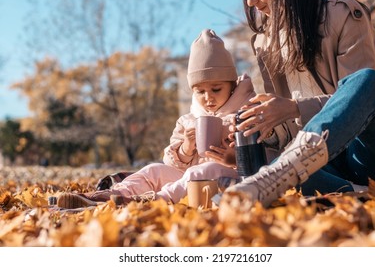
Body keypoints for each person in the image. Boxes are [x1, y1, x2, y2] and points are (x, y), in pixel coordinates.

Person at [56, 29, 268, 209]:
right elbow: (170, 162)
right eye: (200, 91)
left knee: (202, 171)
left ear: (232, 86)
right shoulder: (188, 120)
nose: (208, 97)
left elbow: (269, 154)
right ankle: (108, 197)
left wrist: (235, 158)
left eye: (216, 89)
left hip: (230, 181)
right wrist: (186, 148)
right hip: (187, 183)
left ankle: (151, 202)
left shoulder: (247, 112)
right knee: (153, 169)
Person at [222, 0, 375, 208]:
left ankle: (290, 170)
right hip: (324, 164)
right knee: (282, 169)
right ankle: (360, 195)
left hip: (369, 152)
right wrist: (263, 126)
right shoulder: (265, 42)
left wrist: (294, 108)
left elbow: (361, 103)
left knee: (369, 80)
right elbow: (289, 131)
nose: (251, 1)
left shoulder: (341, 12)